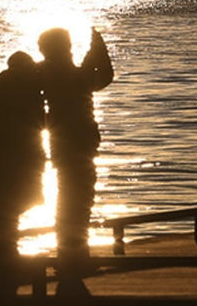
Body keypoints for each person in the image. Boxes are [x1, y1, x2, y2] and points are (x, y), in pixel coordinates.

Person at [37, 27, 113, 277]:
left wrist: (94, 51)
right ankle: (74, 256)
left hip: (63, 143)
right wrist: (97, 49)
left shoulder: (45, 72)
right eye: (68, 44)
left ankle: (70, 254)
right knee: (77, 200)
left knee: (70, 199)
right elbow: (102, 77)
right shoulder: (66, 73)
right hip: (78, 142)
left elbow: (93, 75)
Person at [0, 51, 46, 294]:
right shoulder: (25, 91)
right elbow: (40, 122)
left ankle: (2, 266)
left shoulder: (2, 90)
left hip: (0, 160)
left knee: (5, 213)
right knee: (13, 210)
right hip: (21, 158)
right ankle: (8, 266)